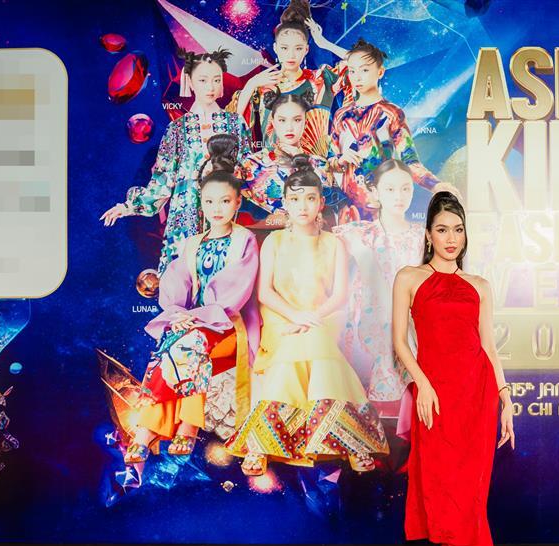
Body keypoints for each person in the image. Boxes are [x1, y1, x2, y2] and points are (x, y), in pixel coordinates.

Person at [391, 191, 515, 546]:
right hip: (436, 402)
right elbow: (400, 342)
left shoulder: (479, 285)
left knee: (468, 502)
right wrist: (423, 383)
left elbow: (488, 346)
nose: (451, 238)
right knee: (450, 500)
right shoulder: (409, 278)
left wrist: (505, 397)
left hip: (477, 399)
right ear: (428, 234)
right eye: (442, 229)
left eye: (458, 230)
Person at [225, 156, 388, 476]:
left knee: (316, 342)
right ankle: (346, 441)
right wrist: (296, 317)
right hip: (283, 320)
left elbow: (339, 296)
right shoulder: (274, 241)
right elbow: (265, 293)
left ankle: (273, 442)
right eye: (295, 199)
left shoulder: (334, 243)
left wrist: (312, 317)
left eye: (310, 198)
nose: (303, 206)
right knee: (308, 346)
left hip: (323, 318)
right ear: (285, 203)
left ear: (320, 203)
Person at [123, 135, 261, 464]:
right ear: (201, 202)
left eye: (225, 201)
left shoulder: (245, 240)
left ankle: (179, 427)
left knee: (189, 342)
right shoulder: (193, 243)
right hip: (194, 325)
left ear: (237, 203)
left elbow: (234, 293)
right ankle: (154, 428)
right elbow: (176, 282)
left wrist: (195, 318)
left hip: (229, 325)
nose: (217, 209)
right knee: (172, 341)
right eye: (209, 201)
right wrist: (177, 312)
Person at [102, 48, 253, 274]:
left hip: (225, 215)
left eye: (216, 80)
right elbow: (162, 183)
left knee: (223, 281)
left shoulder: (235, 123)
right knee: (183, 282)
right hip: (185, 218)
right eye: (203, 80)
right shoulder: (176, 129)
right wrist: (127, 207)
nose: (210, 87)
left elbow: (250, 170)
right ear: (189, 81)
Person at [328, 38, 459, 217]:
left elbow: (409, 160)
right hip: (346, 206)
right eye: (352, 71)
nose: (357, 77)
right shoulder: (341, 115)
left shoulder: (391, 113)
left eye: (364, 70)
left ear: (380, 72)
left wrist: (435, 185)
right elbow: (329, 161)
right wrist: (340, 160)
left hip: (380, 204)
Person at [332, 159, 423, 403]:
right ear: (375, 192)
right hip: (371, 320)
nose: (399, 196)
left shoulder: (422, 236)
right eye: (390, 189)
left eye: (405, 189)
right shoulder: (359, 233)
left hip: (414, 320)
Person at [230, 0, 349, 158]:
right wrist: (251, 84)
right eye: (284, 48)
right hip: (271, 169)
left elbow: (363, 64)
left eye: (298, 48)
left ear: (306, 49)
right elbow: (234, 123)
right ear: (276, 48)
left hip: (315, 168)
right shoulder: (264, 85)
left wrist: (324, 43)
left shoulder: (320, 80)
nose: (291, 55)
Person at [241, 91, 331, 226]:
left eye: (297, 120)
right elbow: (243, 216)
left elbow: (327, 211)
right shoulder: (253, 164)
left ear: (305, 121)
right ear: (273, 122)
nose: (289, 127)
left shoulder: (319, 164)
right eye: (282, 120)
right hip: (266, 236)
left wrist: (300, 157)